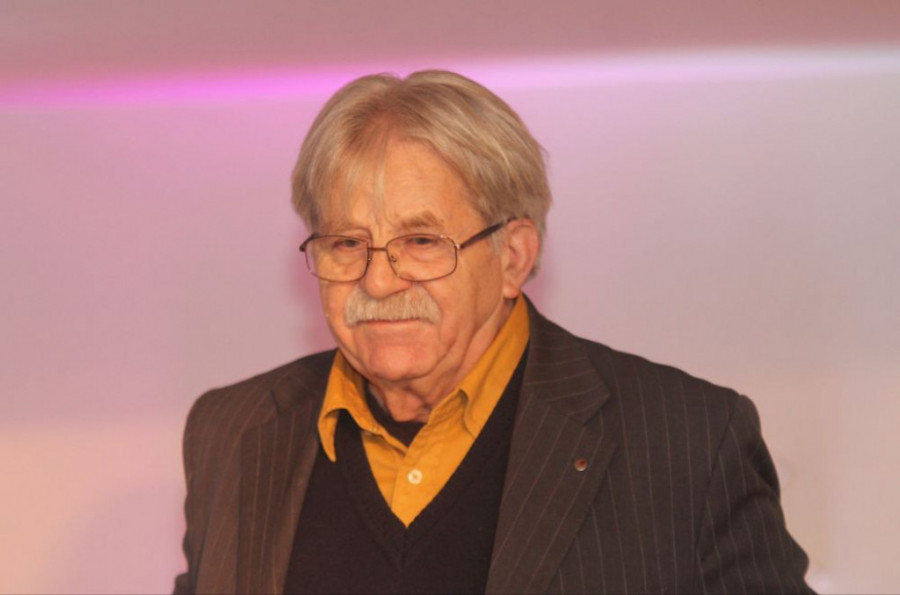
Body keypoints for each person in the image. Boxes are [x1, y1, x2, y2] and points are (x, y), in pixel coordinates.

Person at [174, 70, 812, 594]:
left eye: (421, 241)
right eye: (347, 244)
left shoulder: (688, 442)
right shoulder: (232, 433)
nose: (378, 281)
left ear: (514, 256)